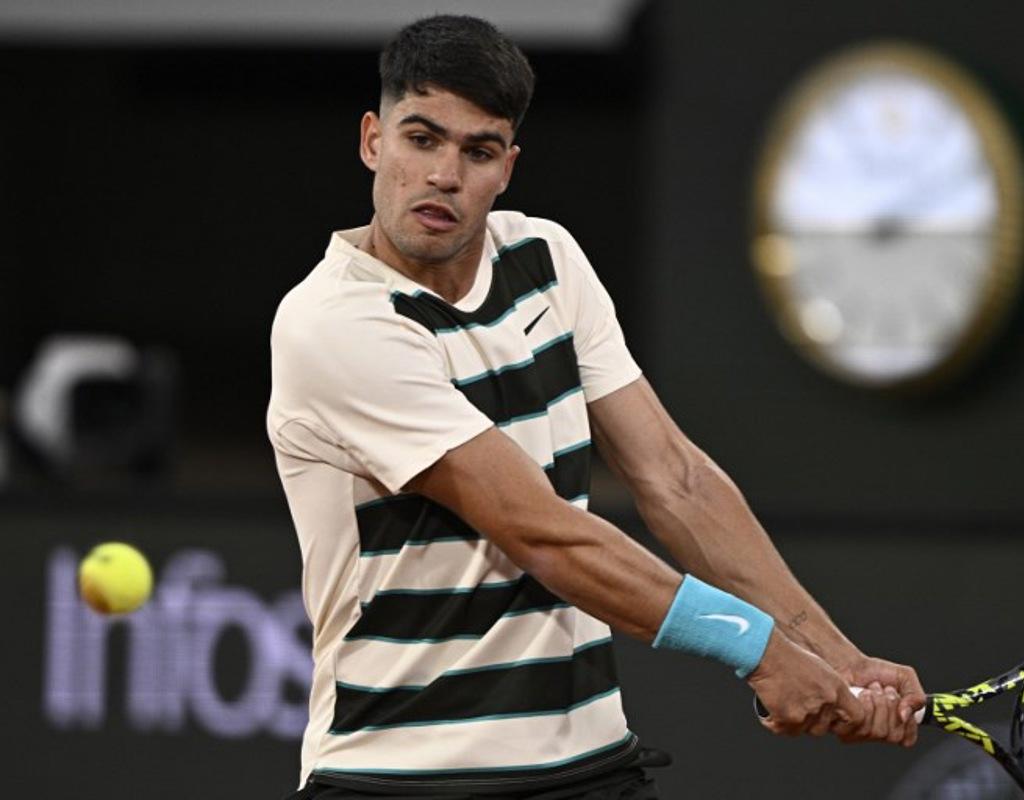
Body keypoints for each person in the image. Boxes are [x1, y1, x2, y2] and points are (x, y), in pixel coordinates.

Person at [268, 14, 924, 800]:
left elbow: (675, 478)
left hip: (590, 767)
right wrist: (759, 649)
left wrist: (832, 655)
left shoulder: (545, 259)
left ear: (506, 167)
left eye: (477, 151)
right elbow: (540, 532)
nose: (444, 174)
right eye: (422, 138)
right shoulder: (334, 323)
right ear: (373, 141)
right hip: (402, 776)